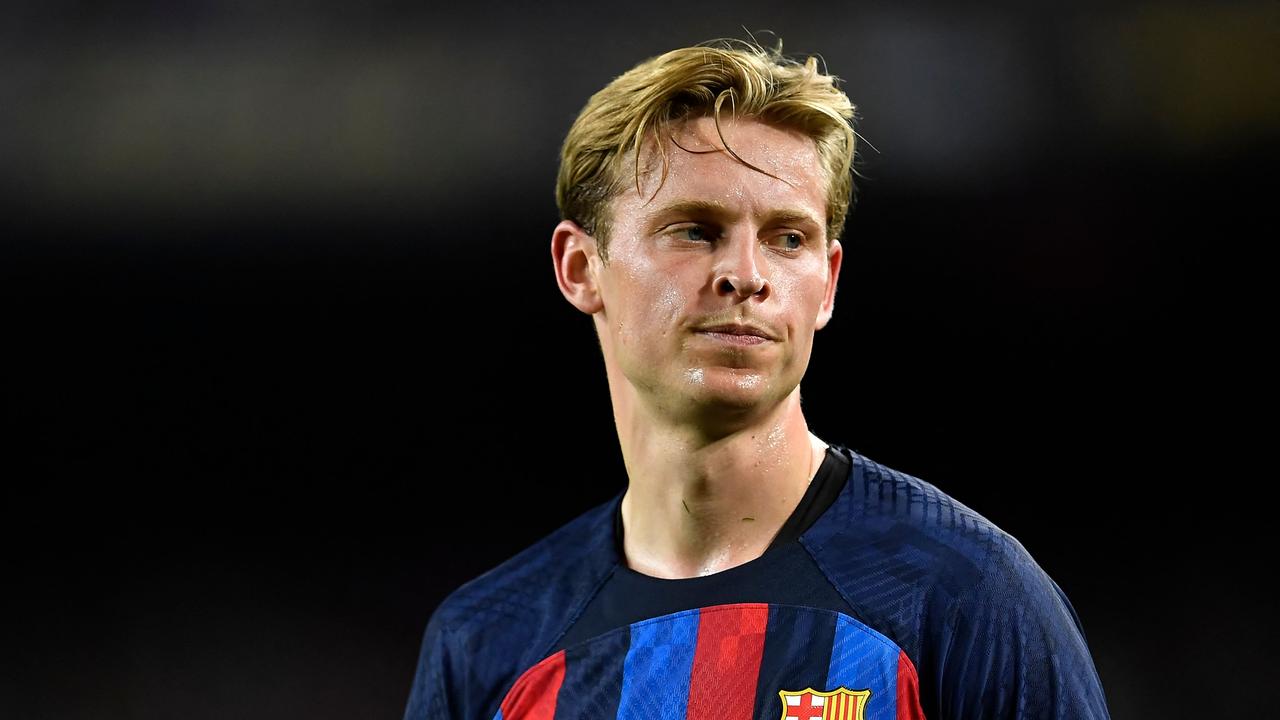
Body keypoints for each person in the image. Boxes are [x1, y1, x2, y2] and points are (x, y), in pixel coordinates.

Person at [404, 40, 1109, 720]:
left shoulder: (963, 593)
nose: (747, 274)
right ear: (581, 269)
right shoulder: (487, 641)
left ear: (828, 286)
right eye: (695, 230)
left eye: (788, 238)